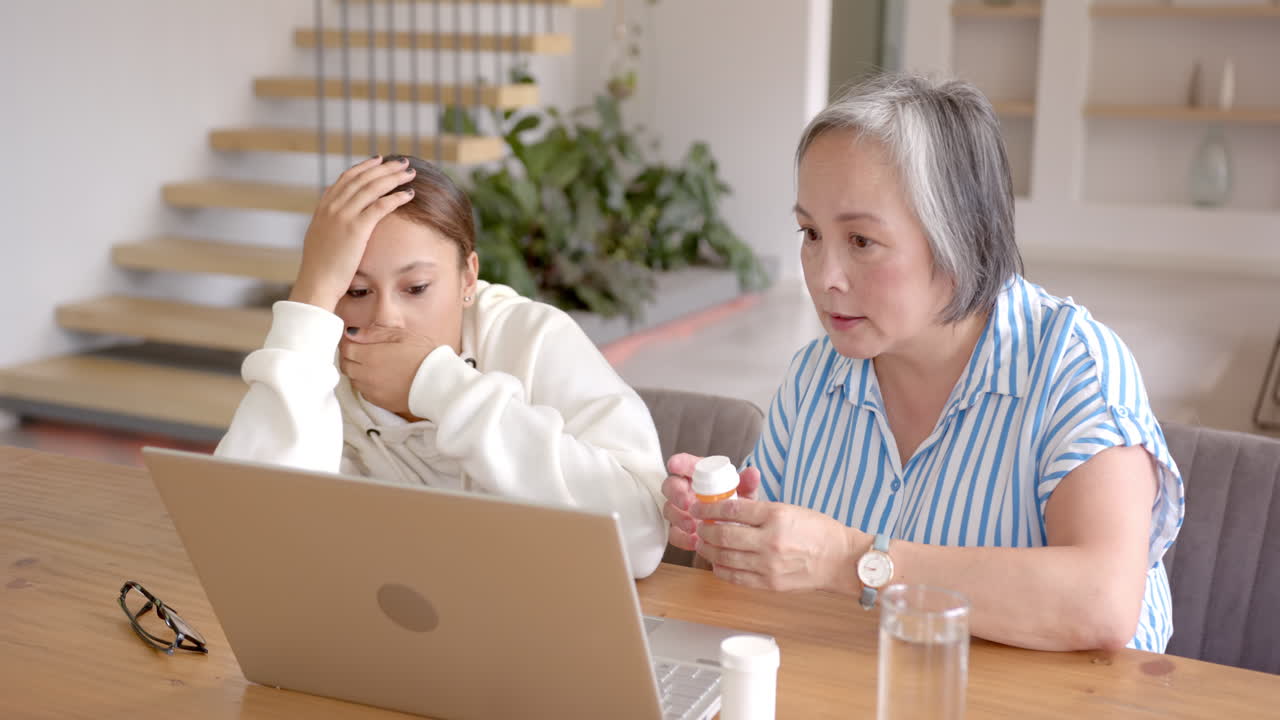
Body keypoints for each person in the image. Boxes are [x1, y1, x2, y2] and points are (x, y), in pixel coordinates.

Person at [661, 73, 1184, 652]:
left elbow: (1101, 604)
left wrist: (846, 561)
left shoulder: (1073, 367)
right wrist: (731, 539)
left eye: (861, 241)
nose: (824, 276)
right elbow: (761, 600)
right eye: (810, 232)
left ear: (961, 237)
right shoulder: (815, 377)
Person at [216, 155, 667, 578]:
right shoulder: (316, 360)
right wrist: (311, 299)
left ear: (468, 277)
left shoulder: (532, 338)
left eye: (416, 287)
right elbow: (239, 540)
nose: (386, 317)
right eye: (355, 291)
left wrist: (438, 385)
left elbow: (640, 538)